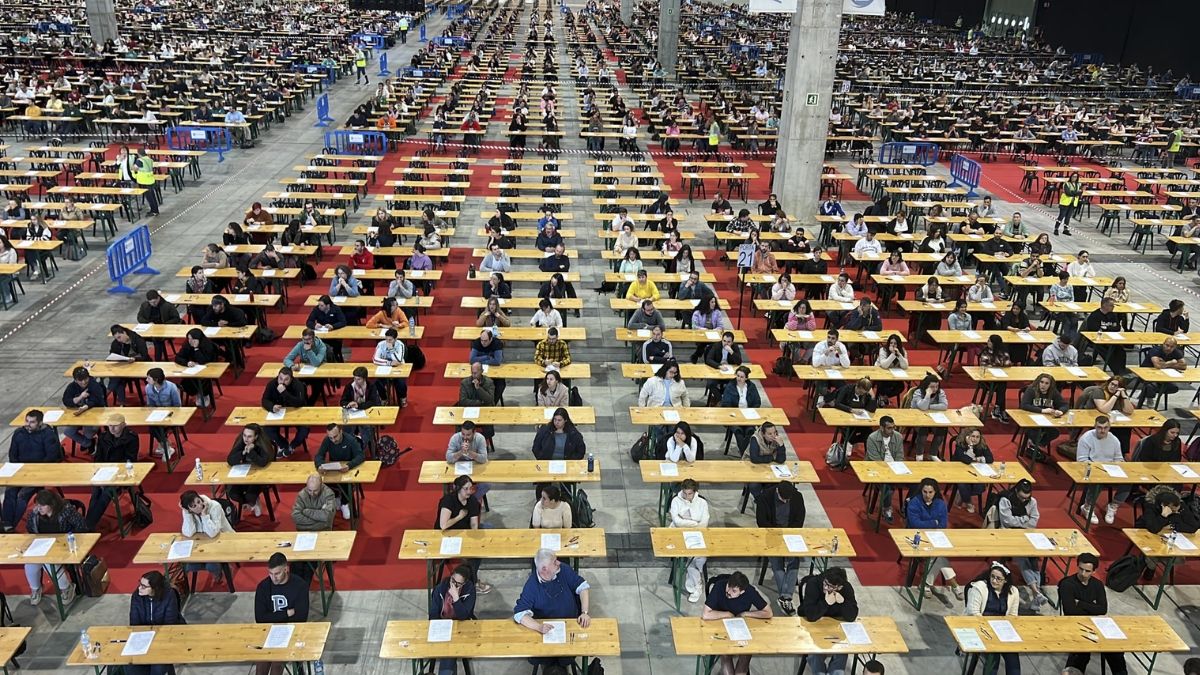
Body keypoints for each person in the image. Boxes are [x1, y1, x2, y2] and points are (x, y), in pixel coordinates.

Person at [513, 549, 591, 669]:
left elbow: (582, 586)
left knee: (568, 656)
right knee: (547, 658)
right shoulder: (532, 586)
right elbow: (520, 614)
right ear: (544, 569)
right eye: (554, 562)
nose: (558, 563)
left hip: (570, 624)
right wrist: (538, 627)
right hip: (547, 631)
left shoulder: (563, 569)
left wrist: (584, 612)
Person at [1058, 553, 1127, 675]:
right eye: (1081, 569)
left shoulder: (1097, 585)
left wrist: (1080, 603)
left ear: (1094, 571)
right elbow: (1070, 612)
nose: (1083, 574)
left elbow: (1102, 609)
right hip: (1076, 625)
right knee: (1081, 655)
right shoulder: (1067, 584)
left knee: (1116, 651)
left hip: (1096, 624)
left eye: (1087, 571)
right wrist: (1092, 607)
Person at [702, 570, 772, 675]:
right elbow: (706, 614)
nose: (729, 592)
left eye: (734, 591)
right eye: (728, 587)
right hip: (720, 625)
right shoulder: (719, 586)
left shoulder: (749, 591)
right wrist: (727, 614)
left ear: (742, 591)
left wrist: (746, 614)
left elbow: (768, 612)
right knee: (726, 656)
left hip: (740, 626)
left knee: (746, 655)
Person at [2, 410, 62, 532]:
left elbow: (51, 456)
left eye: (32, 422)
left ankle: (10, 527)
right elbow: (13, 454)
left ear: (40, 422)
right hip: (20, 470)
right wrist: (18, 469)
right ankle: (6, 523)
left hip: (38, 472)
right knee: (10, 492)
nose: (28, 424)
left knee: (21, 495)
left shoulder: (48, 434)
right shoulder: (19, 433)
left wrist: (36, 471)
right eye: (27, 421)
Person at [25, 490, 84, 605]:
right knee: (30, 564)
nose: (38, 508)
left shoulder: (66, 511)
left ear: (51, 504)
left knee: (48, 562)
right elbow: (30, 529)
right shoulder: (35, 514)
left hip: (63, 545)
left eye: (42, 505)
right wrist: (33, 516)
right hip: (43, 545)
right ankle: (36, 588)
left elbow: (81, 526)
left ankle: (67, 587)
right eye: (37, 505)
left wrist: (68, 539)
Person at [906, 477, 963, 598]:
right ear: (921, 491)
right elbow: (915, 523)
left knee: (936, 554)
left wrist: (931, 524)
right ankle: (953, 584)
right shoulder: (914, 503)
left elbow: (943, 524)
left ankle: (926, 583)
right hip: (918, 537)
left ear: (935, 492)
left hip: (936, 536)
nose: (927, 495)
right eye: (925, 492)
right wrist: (934, 523)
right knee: (938, 555)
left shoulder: (940, 504)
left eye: (930, 492)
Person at [755, 481, 806, 614]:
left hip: (791, 534)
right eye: (784, 499)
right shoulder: (764, 498)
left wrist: (789, 533)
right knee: (777, 562)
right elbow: (762, 522)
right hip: (772, 534)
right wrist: (777, 533)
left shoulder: (796, 496)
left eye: (787, 500)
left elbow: (799, 519)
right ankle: (786, 596)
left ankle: (784, 597)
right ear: (777, 492)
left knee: (794, 560)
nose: (785, 501)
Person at [254, 553, 309, 675]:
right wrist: (287, 613)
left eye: (277, 573)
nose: (274, 578)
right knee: (262, 662)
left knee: (276, 664)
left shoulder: (300, 586)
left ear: (286, 569)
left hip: (291, 630)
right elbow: (260, 618)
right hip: (269, 630)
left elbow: (301, 617)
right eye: (270, 573)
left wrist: (273, 617)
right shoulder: (263, 587)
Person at [799, 567, 858, 675]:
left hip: (836, 629)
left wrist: (843, 602)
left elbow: (852, 616)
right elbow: (811, 615)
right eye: (825, 583)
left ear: (839, 587)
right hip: (815, 626)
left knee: (838, 669)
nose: (826, 588)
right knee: (818, 664)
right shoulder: (814, 584)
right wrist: (826, 603)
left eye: (831, 587)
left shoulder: (846, 588)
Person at [86, 414, 140, 530]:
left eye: (115, 426)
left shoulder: (131, 438)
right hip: (104, 470)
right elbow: (98, 457)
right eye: (110, 426)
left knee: (106, 493)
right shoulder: (103, 437)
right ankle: (88, 523)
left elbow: (130, 459)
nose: (112, 429)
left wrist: (115, 472)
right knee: (95, 492)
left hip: (121, 472)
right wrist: (99, 471)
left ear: (123, 425)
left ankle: (88, 525)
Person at [965, 563, 1021, 675]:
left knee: (1013, 655)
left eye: (999, 579)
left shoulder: (1013, 592)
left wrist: (1004, 631)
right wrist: (990, 629)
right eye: (992, 577)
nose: (994, 581)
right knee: (993, 656)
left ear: (1005, 580)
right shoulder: (980, 588)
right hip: (982, 627)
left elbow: (1013, 616)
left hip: (1001, 629)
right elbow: (973, 613)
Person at [1077, 416, 1131, 525]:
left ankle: (1113, 505)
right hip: (1092, 469)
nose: (1102, 430)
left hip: (1110, 469)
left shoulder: (1114, 440)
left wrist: (1120, 466)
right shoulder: (1086, 438)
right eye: (1099, 427)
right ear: (1094, 426)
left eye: (1105, 428)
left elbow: (1119, 458)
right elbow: (1082, 460)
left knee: (1129, 481)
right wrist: (1099, 468)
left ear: (1109, 427)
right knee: (1097, 481)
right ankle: (1087, 506)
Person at [127, 570, 183, 675]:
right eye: (140, 583)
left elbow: (170, 624)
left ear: (155, 588)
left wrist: (155, 641)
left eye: (144, 586)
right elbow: (134, 623)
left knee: (158, 668)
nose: (140, 588)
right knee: (131, 668)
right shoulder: (137, 596)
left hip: (165, 637)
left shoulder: (169, 595)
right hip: (144, 637)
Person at [429, 564, 477, 675]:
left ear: (464, 583)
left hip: (461, 625)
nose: (454, 585)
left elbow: (464, 616)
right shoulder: (441, 588)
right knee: (447, 651)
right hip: (442, 624)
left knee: (448, 654)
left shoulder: (470, 591)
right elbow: (433, 613)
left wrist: (456, 598)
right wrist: (439, 628)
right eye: (453, 580)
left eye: (458, 583)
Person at [180, 488, 235, 584]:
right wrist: (187, 514)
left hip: (221, 538)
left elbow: (213, 533)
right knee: (191, 566)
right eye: (194, 506)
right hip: (202, 543)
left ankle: (219, 570)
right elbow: (188, 533)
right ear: (189, 509)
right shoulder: (188, 512)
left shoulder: (214, 506)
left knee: (211, 565)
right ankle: (220, 566)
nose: (199, 506)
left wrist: (204, 514)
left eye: (198, 501)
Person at [670, 479, 710, 603]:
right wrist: (694, 523)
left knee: (699, 557)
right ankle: (697, 585)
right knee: (691, 556)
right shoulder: (676, 501)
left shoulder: (702, 503)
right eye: (685, 493)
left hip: (698, 534)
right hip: (678, 533)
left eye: (690, 494)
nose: (687, 497)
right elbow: (676, 521)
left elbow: (704, 523)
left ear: (695, 492)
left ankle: (694, 579)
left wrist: (686, 522)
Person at [315, 424, 364, 521]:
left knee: (345, 482)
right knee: (322, 480)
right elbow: (319, 455)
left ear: (341, 431)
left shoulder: (350, 440)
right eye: (330, 437)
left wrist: (349, 465)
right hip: (333, 468)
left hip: (347, 469)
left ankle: (345, 502)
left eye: (335, 436)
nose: (333, 440)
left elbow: (360, 456)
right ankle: (336, 497)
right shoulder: (327, 440)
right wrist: (320, 465)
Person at [1019, 373, 1067, 462]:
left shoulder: (1053, 392)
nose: (1043, 385)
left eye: (1046, 383)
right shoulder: (1031, 390)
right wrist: (1042, 411)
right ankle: (1033, 444)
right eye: (1041, 382)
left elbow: (1064, 405)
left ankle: (1035, 445)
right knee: (1035, 432)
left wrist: (1060, 411)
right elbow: (1024, 405)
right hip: (1031, 418)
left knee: (1055, 432)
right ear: (1038, 382)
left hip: (1046, 420)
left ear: (1050, 385)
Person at [865, 416, 904, 521]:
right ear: (881, 428)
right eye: (889, 428)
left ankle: (907, 505)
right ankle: (887, 509)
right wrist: (889, 472)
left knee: (917, 483)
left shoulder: (898, 437)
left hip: (895, 468)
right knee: (887, 486)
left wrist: (896, 468)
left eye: (893, 427)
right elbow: (876, 460)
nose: (892, 430)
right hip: (878, 469)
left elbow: (900, 456)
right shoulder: (872, 438)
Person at [60, 365, 105, 453]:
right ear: (75, 380)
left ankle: (88, 441)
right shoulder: (71, 387)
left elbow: (97, 400)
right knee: (68, 432)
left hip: (94, 415)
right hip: (78, 415)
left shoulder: (95, 385)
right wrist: (80, 397)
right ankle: (88, 443)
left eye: (86, 379)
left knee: (88, 433)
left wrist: (85, 407)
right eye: (80, 380)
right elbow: (66, 400)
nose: (84, 382)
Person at [951, 429, 994, 513]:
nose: (975, 439)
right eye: (973, 436)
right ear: (967, 437)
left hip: (975, 471)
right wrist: (970, 446)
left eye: (977, 437)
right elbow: (966, 460)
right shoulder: (960, 445)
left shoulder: (982, 445)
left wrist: (978, 459)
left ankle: (961, 495)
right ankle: (968, 502)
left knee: (980, 486)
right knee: (963, 483)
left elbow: (990, 458)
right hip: (959, 470)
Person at [910, 374, 949, 460]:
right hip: (917, 419)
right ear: (926, 386)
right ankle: (919, 455)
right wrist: (927, 395)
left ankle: (933, 454)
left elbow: (944, 405)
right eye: (932, 387)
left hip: (933, 419)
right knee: (923, 429)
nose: (935, 389)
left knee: (942, 429)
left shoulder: (940, 392)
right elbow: (922, 406)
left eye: (936, 386)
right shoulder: (918, 392)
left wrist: (929, 406)